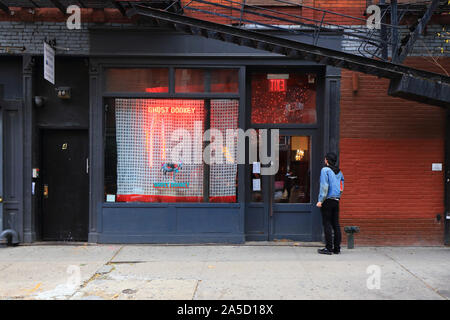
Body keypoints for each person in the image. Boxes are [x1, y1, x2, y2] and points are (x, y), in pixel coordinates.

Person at [316, 152, 344, 255]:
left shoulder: (325, 170)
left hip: (327, 200)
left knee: (327, 223)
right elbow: (341, 187)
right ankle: (337, 248)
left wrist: (320, 200)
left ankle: (328, 248)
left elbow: (324, 186)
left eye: (325, 159)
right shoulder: (339, 172)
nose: (324, 160)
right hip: (336, 200)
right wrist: (338, 196)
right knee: (335, 224)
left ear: (327, 160)